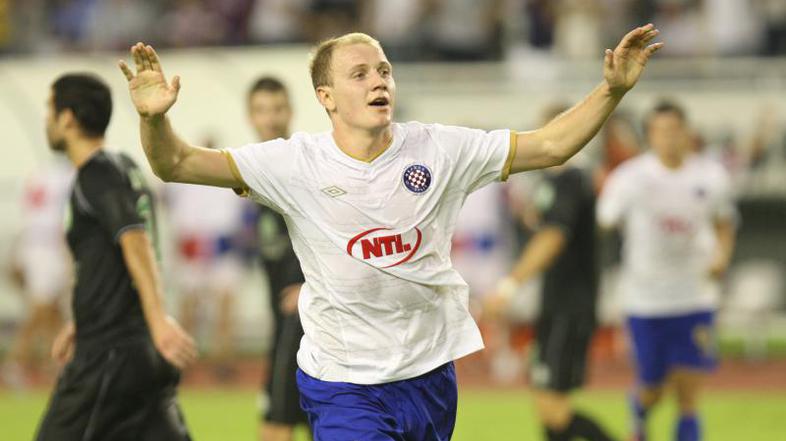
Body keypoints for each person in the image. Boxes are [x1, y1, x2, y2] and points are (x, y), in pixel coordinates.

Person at [118, 25, 662, 440]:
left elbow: (551, 146)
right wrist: (153, 119)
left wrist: (611, 90)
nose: (378, 80)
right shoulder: (292, 163)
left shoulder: (440, 149)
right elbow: (176, 163)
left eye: (383, 70)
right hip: (342, 380)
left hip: (428, 374)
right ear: (326, 96)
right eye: (359, 74)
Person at [34, 73, 197, 441]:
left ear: (68, 118)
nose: (47, 119)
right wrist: (82, 320)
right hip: (141, 352)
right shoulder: (125, 166)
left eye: (50, 109)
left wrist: (158, 321)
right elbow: (111, 260)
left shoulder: (97, 175)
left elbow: (135, 242)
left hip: (110, 355)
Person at [597, 101, 737, 441]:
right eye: (660, 131)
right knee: (653, 386)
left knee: (689, 394)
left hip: (695, 296)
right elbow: (605, 219)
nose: (669, 138)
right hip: (646, 299)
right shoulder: (630, 177)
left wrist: (721, 257)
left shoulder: (711, 176)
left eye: (675, 130)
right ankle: (639, 411)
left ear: (687, 133)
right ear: (650, 135)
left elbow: (725, 222)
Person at [487, 105, 616, 441]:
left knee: (553, 408)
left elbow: (554, 236)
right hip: (557, 301)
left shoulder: (572, 179)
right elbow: (546, 222)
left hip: (570, 304)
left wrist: (509, 286)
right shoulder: (553, 181)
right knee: (548, 407)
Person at [246, 76, 310, 440]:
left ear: (290, 112)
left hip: (301, 317)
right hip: (280, 315)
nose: (270, 118)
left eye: (277, 109)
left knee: (276, 422)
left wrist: (309, 286)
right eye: (261, 110)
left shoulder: (302, 168)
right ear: (250, 116)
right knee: (320, 421)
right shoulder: (256, 171)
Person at [3, 157, 73, 388]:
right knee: (40, 310)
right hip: (48, 247)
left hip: (33, 245)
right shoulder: (69, 176)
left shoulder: (39, 174)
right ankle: (14, 364)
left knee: (53, 312)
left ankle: (61, 363)